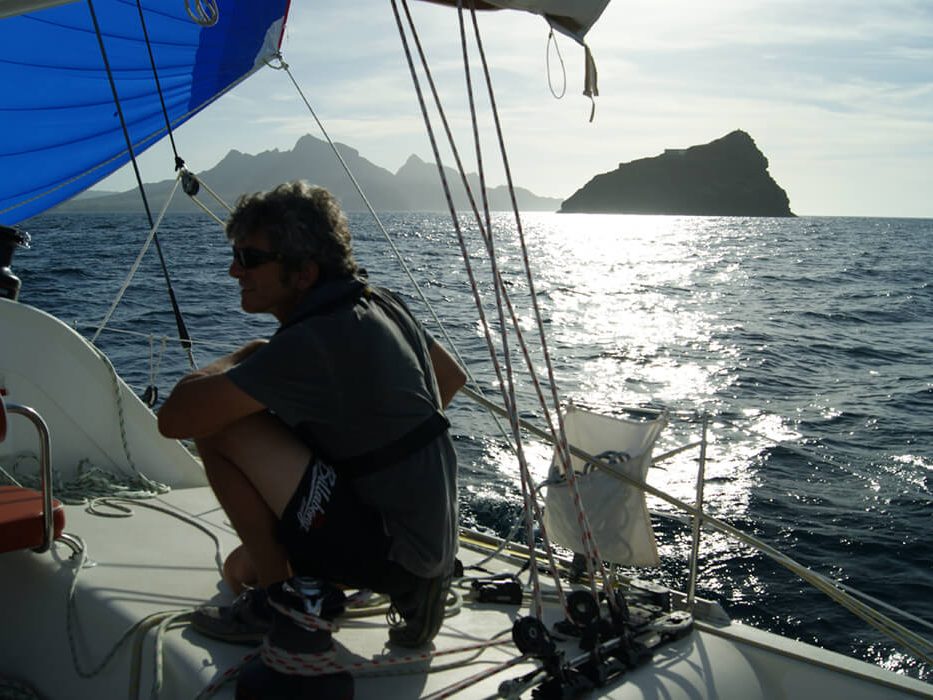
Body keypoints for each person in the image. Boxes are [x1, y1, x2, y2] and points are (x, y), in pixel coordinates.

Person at [158, 181, 465, 652]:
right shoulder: (379, 300)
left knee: (219, 424)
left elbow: (177, 419)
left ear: (303, 274)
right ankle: (401, 580)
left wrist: (249, 353)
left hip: (395, 549)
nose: (233, 270)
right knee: (238, 570)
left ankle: (283, 601)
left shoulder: (311, 343)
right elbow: (450, 378)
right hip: (430, 537)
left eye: (250, 259)